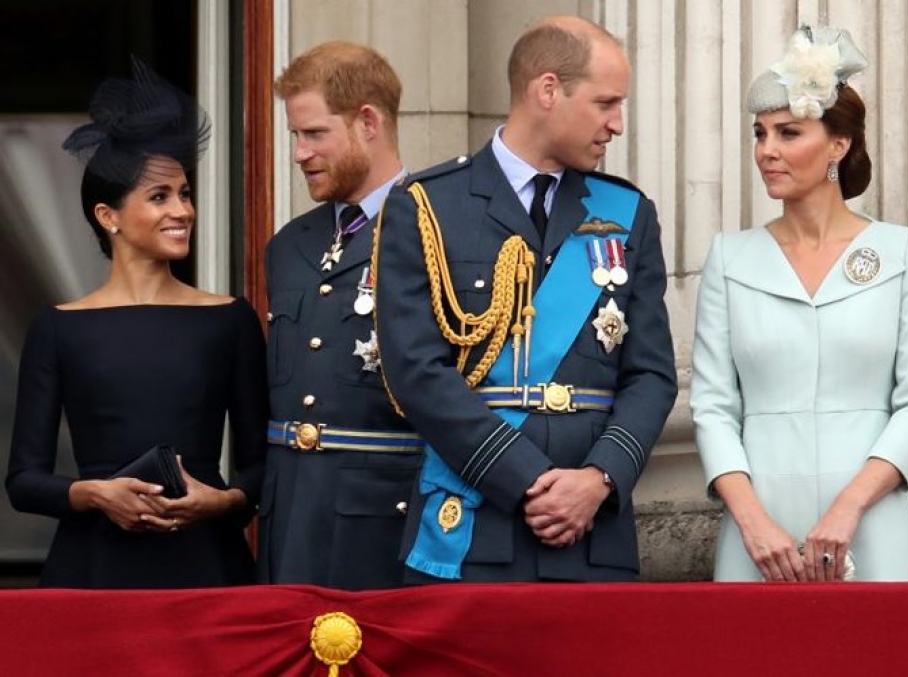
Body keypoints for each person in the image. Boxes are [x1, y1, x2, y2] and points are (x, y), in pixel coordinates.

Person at [374, 16, 677, 583]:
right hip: (473, 520)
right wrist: (526, 479)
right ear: (547, 90)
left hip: (593, 533)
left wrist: (599, 480)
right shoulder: (427, 206)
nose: (617, 124)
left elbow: (652, 375)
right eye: (606, 103)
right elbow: (414, 370)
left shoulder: (629, 213)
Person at [690, 26, 908, 582]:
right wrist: (753, 523)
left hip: (872, 522)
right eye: (760, 134)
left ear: (838, 143)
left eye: (788, 132)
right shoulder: (731, 258)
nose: (767, 151)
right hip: (757, 535)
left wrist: (848, 508)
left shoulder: (900, 252)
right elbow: (712, 407)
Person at [5, 58, 268, 589]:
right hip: (92, 571)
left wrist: (224, 501)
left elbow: (267, 467)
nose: (183, 210)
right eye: (160, 196)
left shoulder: (229, 318)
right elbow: (23, 482)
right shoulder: (59, 327)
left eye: (185, 193)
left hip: (207, 567)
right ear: (110, 217)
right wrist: (94, 493)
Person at [257, 42, 423, 589]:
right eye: (295, 136)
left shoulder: (437, 230)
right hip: (289, 526)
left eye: (314, 134)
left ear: (368, 122)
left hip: (385, 527)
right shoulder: (288, 245)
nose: (299, 153)